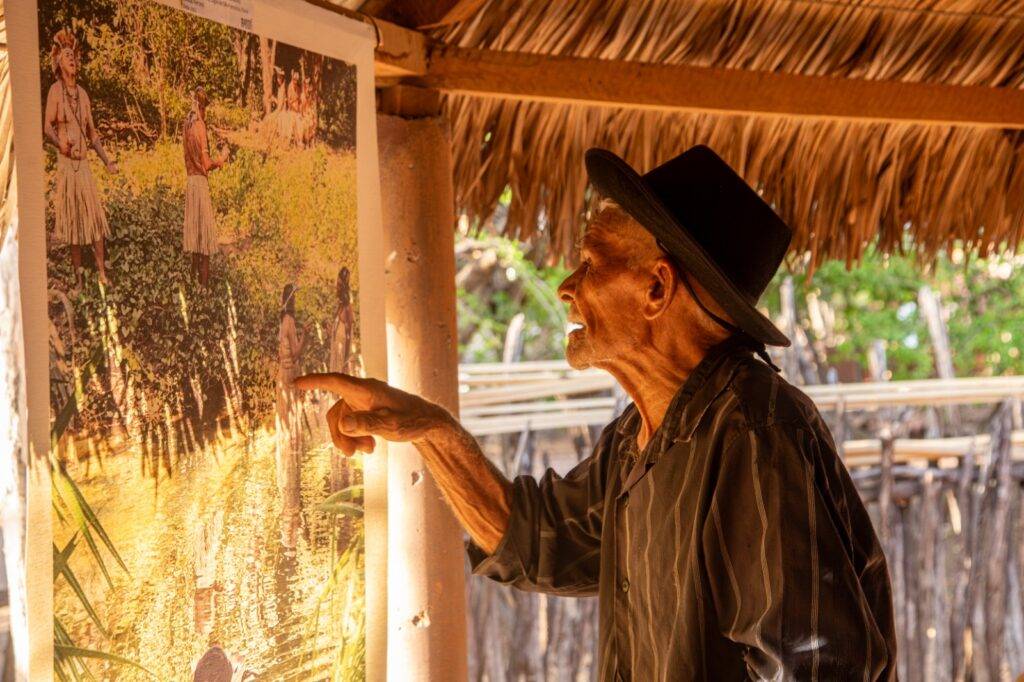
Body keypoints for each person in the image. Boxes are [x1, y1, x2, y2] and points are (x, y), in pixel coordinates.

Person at [297, 145, 898, 680]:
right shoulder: (637, 440)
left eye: (590, 262)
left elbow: (816, 669)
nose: (567, 285)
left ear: (656, 288)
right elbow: (533, 542)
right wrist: (432, 429)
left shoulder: (753, 429)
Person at [43, 28, 119, 291]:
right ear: (59, 63)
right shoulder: (55, 91)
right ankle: (78, 282)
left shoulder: (83, 95)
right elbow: (47, 127)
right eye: (67, 55)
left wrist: (107, 161)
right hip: (67, 166)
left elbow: (93, 134)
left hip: (84, 166)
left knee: (95, 219)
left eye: (74, 56)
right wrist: (60, 143)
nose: (72, 59)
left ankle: (101, 275)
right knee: (74, 224)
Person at [182, 87, 228, 286]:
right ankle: (204, 288)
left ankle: (193, 285)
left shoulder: (186, 125)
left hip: (190, 182)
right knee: (206, 241)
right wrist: (221, 160)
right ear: (202, 107)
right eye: (205, 108)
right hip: (200, 184)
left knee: (194, 239)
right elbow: (207, 164)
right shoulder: (200, 126)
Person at [276, 284, 306, 549]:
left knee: (286, 418)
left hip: (282, 373)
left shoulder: (281, 321)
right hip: (289, 372)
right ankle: (291, 457)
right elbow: (295, 352)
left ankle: (288, 455)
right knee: (291, 419)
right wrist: (305, 335)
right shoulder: (290, 321)